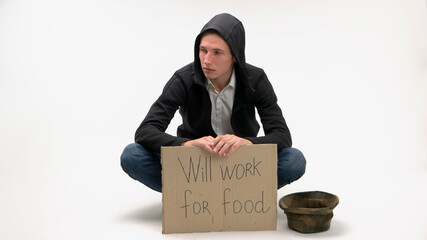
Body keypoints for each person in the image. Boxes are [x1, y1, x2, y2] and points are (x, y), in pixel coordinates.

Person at [120, 13, 306, 192]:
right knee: (132, 155)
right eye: (203, 50)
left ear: (235, 56)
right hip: (192, 167)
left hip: (242, 167)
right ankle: (204, 195)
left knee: (294, 159)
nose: (206, 60)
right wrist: (186, 144)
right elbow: (145, 132)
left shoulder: (255, 79)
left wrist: (247, 143)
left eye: (217, 53)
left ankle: (228, 197)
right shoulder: (183, 79)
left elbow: (282, 136)